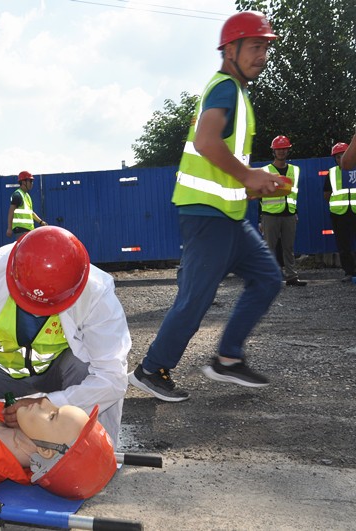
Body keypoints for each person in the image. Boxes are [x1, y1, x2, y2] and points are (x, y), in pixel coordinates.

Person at [128, 11, 283, 403]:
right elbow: (206, 142)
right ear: (229, 50)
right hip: (205, 216)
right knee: (195, 298)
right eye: (254, 46)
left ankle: (228, 359)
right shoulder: (225, 89)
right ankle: (151, 370)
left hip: (229, 217)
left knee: (268, 278)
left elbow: (223, 165)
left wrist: (255, 184)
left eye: (265, 47)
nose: (261, 55)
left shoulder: (239, 93)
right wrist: (249, 176)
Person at [0, 226, 130, 448]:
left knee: (87, 370)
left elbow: (112, 377)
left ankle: (92, 449)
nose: (36, 311)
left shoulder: (96, 291)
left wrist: (49, 404)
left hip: (56, 376)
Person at [260, 135, 307, 286]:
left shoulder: (295, 170)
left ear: (288, 150)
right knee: (269, 247)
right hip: (270, 214)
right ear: (273, 151)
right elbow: (260, 195)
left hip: (290, 214)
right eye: (278, 149)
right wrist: (259, 219)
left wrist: (295, 211)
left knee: (289, 247)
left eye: (284, 149)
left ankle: (291, 276)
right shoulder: (266, 171)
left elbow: (294, 193)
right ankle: (268, 277)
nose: (281, 152)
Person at [324, 142, 356, 281]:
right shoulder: (332, 173)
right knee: (343, 245)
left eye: (343, 155)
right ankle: (349, 272)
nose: (341, 158)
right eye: (338, 156)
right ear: (335, 159)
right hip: (339, 214)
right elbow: (327, 194)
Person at [6, 171, 46, 239]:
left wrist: (41, 222)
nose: (32, 183)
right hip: (21, 230)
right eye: (30, 181)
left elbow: (31, 212)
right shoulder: (17, 195)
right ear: (24, 182)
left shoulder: (27, 196)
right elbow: (11, 212)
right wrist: (9, 228)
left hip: (28, 230)